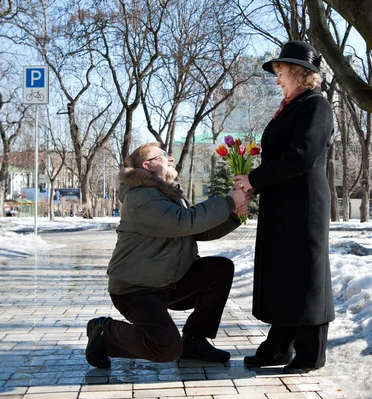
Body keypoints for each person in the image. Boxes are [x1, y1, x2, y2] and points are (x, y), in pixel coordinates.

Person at [85, 142, 251, 369]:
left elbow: (195, 230)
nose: (170, 159)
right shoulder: (141, 197)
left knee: (218, 269)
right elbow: (183, 222)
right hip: (136, 290)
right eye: (163, 155)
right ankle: (105, 332)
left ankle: (194, 341)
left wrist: (232, 216)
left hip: (168, 283)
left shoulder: (164, 194)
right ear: (147, 165)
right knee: (166, 347)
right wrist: (228, 201)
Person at [233, 41, 335, 374]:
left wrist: (255, 179)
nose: (277, 79)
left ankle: (311, 353)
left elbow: (302, 156)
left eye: (281, 73)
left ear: (299, 73)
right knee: (287, 275)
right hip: (285, 202)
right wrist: (255, 182)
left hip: (305, 204)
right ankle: (279, 347)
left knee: (306, 276)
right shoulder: (294, 105)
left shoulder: (316, 105)